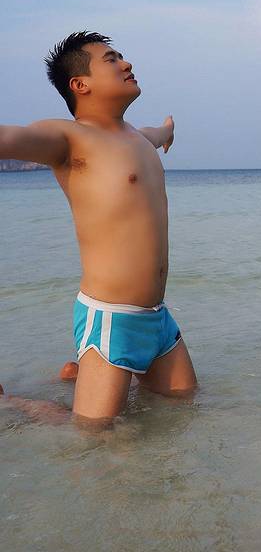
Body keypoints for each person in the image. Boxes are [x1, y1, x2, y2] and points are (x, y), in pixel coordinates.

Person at [0, 30, 198, 429]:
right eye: (112, 59)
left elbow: (159, 134)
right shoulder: (69, 138)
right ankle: (13, 404)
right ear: (80, 84)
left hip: (157, 318)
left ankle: (79, 375)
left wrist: (168, 130)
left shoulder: (139, 137)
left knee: (186, 406)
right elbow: (10, 137)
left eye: (122, 56)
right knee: (94, 435)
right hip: (111, 319)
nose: (126, 64)